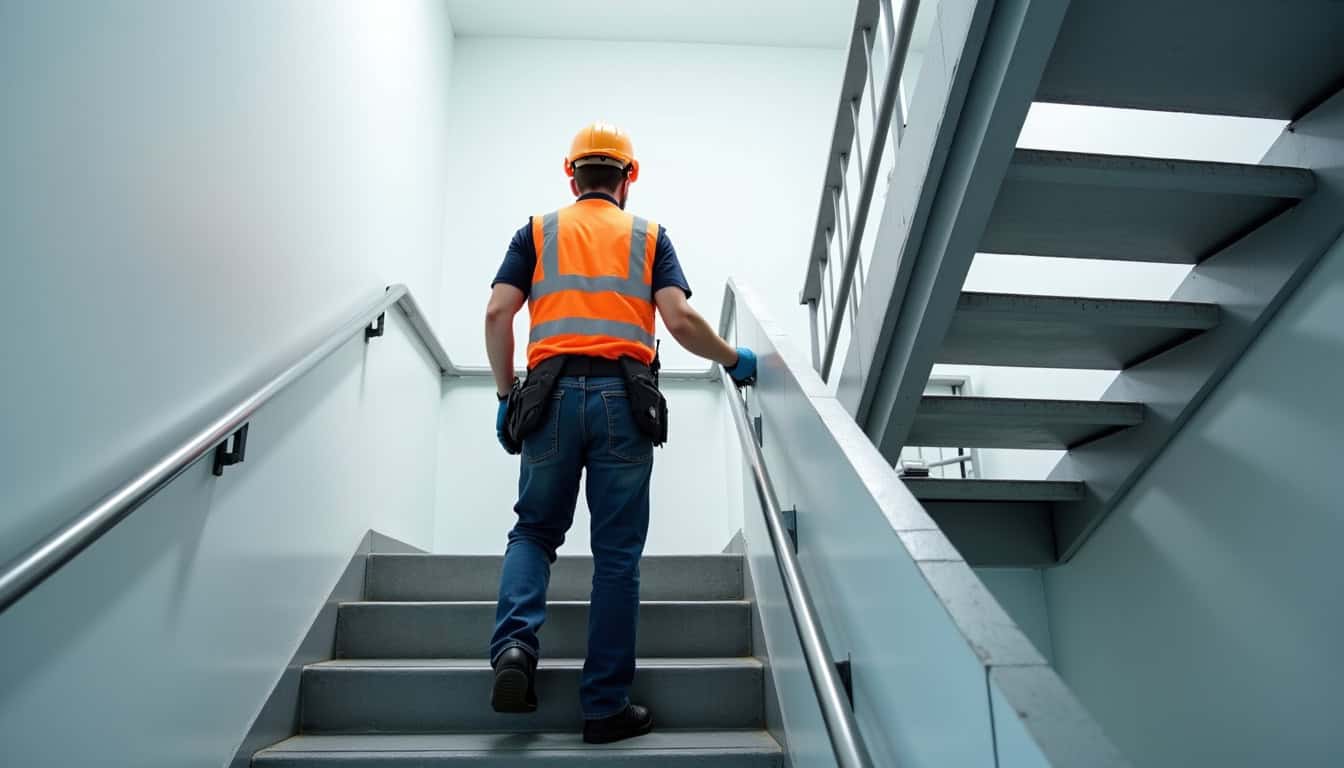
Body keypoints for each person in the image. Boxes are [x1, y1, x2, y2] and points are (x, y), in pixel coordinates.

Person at [483, 121, 758, 744]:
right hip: (622, 401)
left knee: (533, 531)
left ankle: (515, 653)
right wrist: (732, 359)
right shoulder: (649, 236)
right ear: (628, 178)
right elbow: (681, 320)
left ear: (570, 173)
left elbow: (499, 312)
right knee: (615, 557)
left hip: (548, 398)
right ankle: (604, 705)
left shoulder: (537, 232)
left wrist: (506, 396)